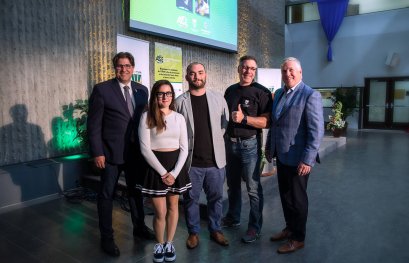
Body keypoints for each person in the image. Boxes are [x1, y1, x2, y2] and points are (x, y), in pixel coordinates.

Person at [87, 52, 154, 257]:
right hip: (110, 153)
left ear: (133, 68)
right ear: (114, 68)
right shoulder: (102, 90)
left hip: (136, 153)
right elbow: (94, 124)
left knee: (136, 192)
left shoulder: (142, 90)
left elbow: (145, 120)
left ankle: (139, 227)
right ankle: (107, 238)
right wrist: (97, 152)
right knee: (107, 195)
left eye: (127, 66)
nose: (123, 69)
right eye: (119, 66)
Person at [265, 57, 324, 254]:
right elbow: (275, 124)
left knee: (298, 200)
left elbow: (316, 131)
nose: (287, 74)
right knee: (286, 197)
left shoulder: (310, 95)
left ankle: (298, 238)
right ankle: (290, 228)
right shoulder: (280, 93)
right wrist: (269, 150)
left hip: (300, 160)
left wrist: (308, 159)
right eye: (284, 71)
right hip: (282, 156)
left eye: (291, 70)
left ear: (300, 73)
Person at [175, 62, 230, 249]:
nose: (196, 76)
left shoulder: (218, 98)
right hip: (192, 164)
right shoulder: (179, 102)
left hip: (215, 162)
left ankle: (216, 229)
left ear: (205, 75)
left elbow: (225, 124)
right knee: (191, 200)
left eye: (200, 73)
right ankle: (193, 233)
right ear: (187, 77)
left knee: (216, 198)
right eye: (192, 73)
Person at [138, 80, 191, 263]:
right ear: (155, 96)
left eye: (168, 93)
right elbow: (145, 149)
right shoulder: (147, 117)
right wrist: (163, 173)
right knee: (160, 213)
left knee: (173, 208)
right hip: (156, 168)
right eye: (161, 93)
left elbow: (185, 148)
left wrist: (174, 173)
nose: (165, 97)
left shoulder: (179, 118)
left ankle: (169, 243)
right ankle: (159, 244)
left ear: (172, 96)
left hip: (175, 167)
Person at [223, 55, 273, 243]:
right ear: (238, 69)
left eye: (252, 68)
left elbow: (267, 122)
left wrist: (244, 119)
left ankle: (254, 227)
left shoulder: (262, 93)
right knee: (232, 185)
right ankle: (233, 218)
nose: (248, 71)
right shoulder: (230, 91)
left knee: (253, 188)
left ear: (255, 71)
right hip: (230, 144)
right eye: (244, 67)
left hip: (250, 145)